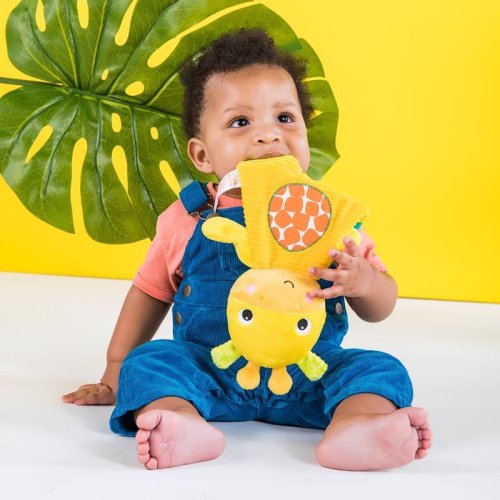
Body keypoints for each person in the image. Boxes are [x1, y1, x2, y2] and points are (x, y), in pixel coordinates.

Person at [62, 28, 432, 471]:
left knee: (380, 369)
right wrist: (114, 369)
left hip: (309, 372)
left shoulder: (330, 218)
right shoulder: (188, 218)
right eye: (241, 123)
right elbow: (150, 292)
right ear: (202, 155)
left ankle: (358, 425)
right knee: (150, 363)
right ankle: (180, 420)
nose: (268, 136)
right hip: (208, 372)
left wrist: (365, 282)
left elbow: (381, 307)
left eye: (285, 118)